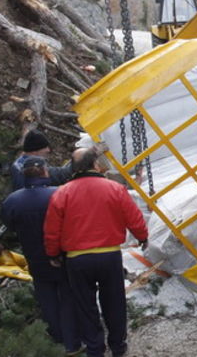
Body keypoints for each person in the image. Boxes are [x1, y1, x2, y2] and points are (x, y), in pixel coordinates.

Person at [44, 147, 148, 357]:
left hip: (77, 259)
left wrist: (53, 254)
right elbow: (133, 216)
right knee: (115, 302)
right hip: (109, 255)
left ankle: (95, 349)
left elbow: (52, 229)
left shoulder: (62, 193)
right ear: (95, 164)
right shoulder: (114, 188)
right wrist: (142, 237)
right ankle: (118, 347)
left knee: (85, 306)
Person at [0, 156, 82, 355]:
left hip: (34, 256)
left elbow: (9, 225)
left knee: (47, 298)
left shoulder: (13, 201)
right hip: (63, 255)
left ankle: (57, 339)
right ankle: (74, 341)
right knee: (68, 296)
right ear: (46, 171)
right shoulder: (60, 194)